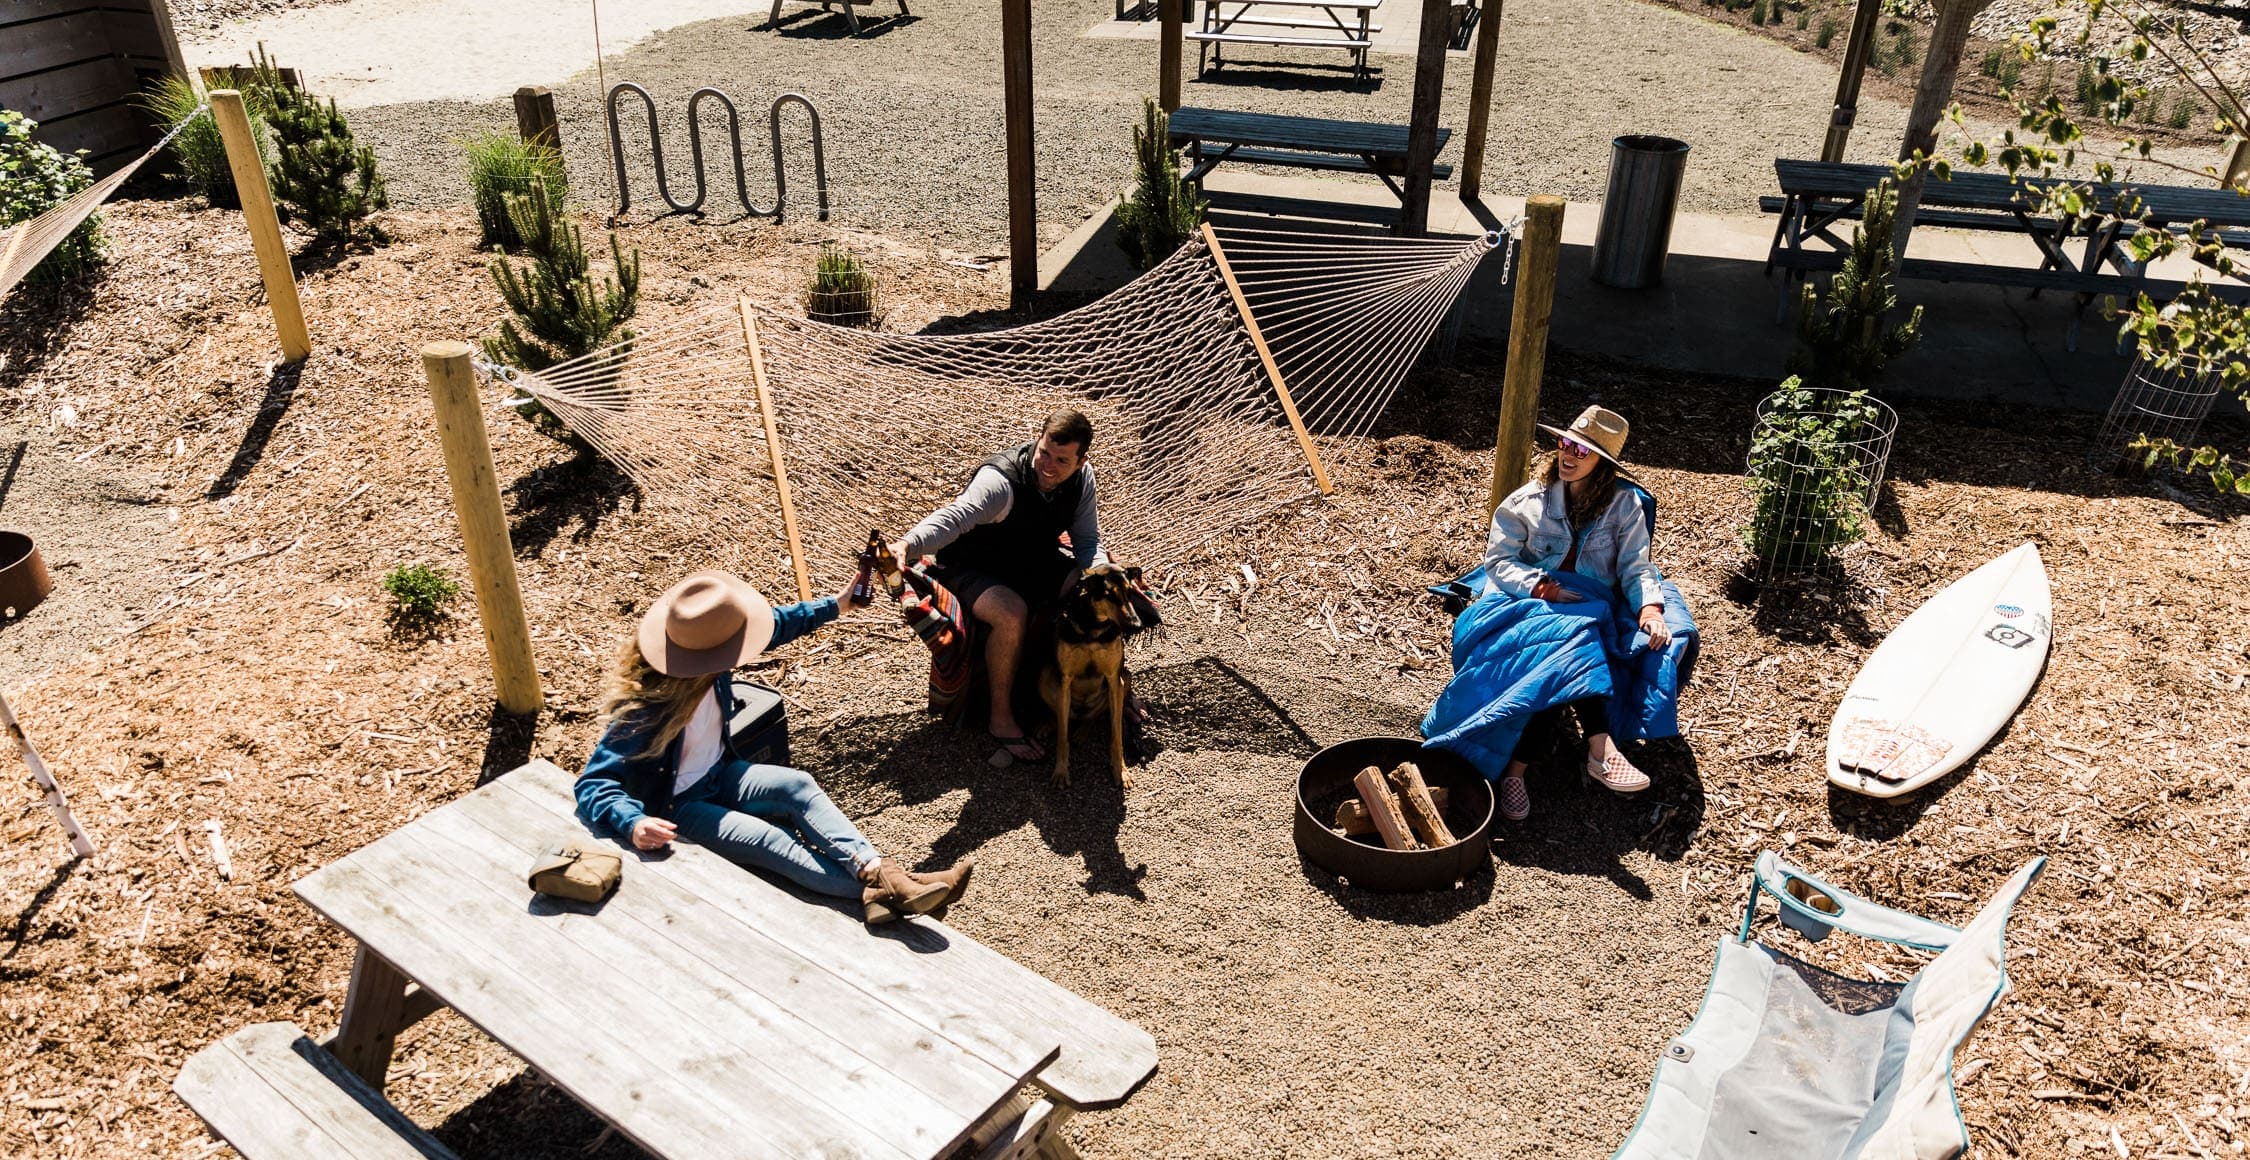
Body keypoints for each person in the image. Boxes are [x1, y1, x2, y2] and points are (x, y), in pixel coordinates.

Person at [575, 568, 972, 924]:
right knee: (771, 841)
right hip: (681, 807)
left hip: (722, 773)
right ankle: (893, 888)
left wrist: (838, 604)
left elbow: (775, 625)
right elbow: (593, 782)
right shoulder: (645, 711)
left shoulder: (702, 660)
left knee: (796, 785)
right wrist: (633, 821)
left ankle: (885, 877)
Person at [1480, 405, 1672, 822]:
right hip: (1529, 604)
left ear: (1602, 462)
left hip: (1589, 609)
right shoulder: (1528, 500)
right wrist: (1539, 585)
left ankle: (1516, 771)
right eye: (1565, 443)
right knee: (1575, 640)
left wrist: (1651, 609)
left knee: (1572, 646)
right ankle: (1600, 750)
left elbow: (1637, 567)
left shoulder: (1624, 506)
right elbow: (1498, 561)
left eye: (1582, 450)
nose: (1568, 454)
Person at [890, 409, 1106, 764]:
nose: (1048, 466)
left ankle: (1102, 691)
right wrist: (907, 545)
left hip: (1032, 558)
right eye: (1044, 453)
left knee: (1097, 595)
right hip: (970, 564)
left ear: (1081, 461)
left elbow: (1087, 540)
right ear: (1038, 440)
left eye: (1062, 460)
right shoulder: (1001, 481)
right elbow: (955, 517)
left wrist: (1098, 574)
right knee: (1010, 613)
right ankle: (1000, 719)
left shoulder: (1083, 480)